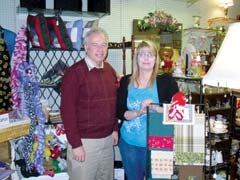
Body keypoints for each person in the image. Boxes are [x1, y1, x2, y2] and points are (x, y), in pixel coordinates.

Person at [60, 27, 119, 180]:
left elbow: (114, 103)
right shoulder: (74, 73)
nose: (100, 49)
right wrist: (76, 144)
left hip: (106, 141)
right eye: (95, 44)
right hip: (85, 143)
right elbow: (67, 112)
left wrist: (114, 129)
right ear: (86, 47)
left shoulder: (109, 70)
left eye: (104, 44)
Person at [116, 40, 179, 180]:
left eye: (150, 55)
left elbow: (177, 110)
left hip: (160, 143)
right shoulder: (126, 81)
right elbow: (120, 111)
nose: (146, 58)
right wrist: (139, 112)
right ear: (136, 58)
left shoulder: (166, 80)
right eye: (142, 54)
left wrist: (154, 107)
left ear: (156, 59)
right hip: (130, 144)